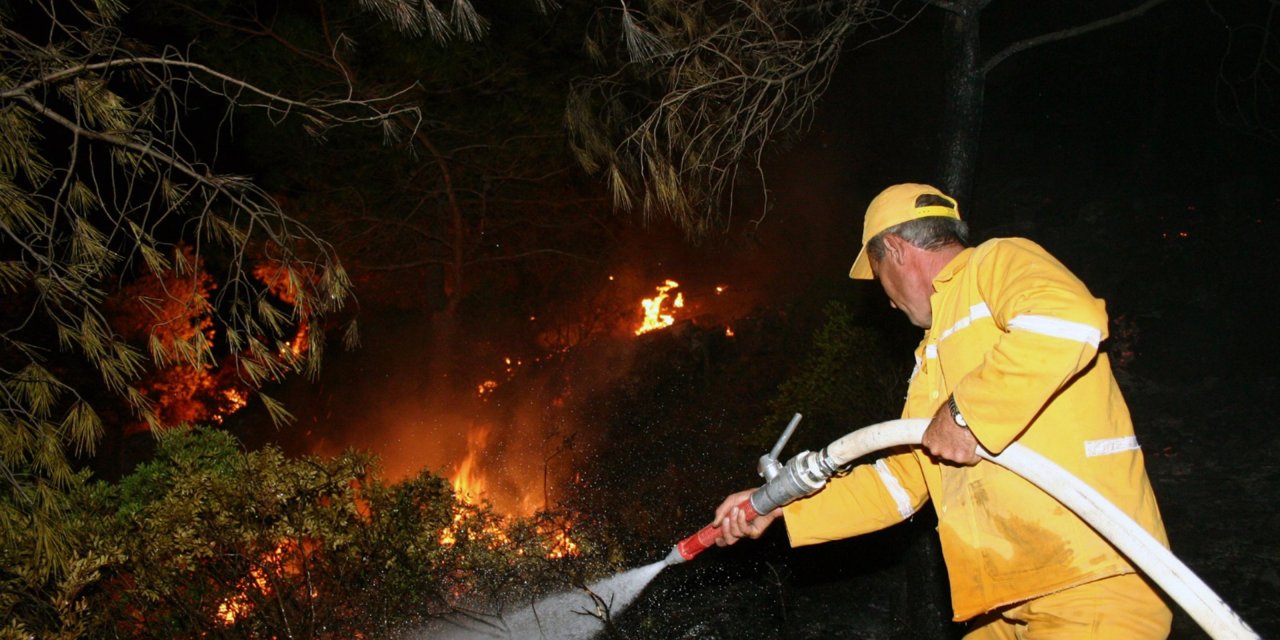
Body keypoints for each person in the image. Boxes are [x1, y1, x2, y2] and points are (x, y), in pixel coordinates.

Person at [712, 183, 1171, 638]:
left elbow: (1069, 319)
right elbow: (901, 482)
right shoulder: (935, 353)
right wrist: (778, 508)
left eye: (878, 277)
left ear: (895, 248)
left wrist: (965, 415)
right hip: (1007, 599)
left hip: (1090, 577)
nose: (887, 301)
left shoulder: (997, 262)